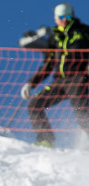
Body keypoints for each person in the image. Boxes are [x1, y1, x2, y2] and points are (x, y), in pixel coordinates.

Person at [21, 2, 89, 147]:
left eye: (68, 15)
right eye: (61, 16)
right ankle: (46, 140)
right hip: (59, 82)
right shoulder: (54, 38)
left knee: (82, 112)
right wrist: (31, 83)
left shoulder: (83, 32)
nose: (65, 19)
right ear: (56, 18)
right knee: (34, 105)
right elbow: (48, 64)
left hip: (78, 79)